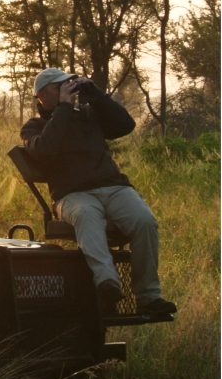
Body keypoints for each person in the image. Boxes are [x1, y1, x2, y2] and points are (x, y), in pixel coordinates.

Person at [21, 67, 176, 315]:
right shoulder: (34, 127)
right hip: (72, 195)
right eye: (59, 86)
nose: (67, 87)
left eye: (69, 83)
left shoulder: (88, 114)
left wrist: (96, 95)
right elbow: (45, 150)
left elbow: (125, 125)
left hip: (113, 187)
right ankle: (107, 285)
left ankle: (149, 297)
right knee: (87, 216)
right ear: (43, 96)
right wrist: (62, 108)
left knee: (144, 221)